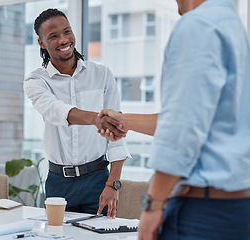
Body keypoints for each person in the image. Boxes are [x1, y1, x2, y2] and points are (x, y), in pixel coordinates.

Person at [100, 0, 250, 239]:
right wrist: (122, 120)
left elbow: (183, 127)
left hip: (201, 213)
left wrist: (154, 203)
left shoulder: (197, 25)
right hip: (235, 207)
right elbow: (199, 119)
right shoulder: (233, 27)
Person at [23, 8, 130, 217]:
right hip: (59, 183)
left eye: (67, 32)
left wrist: (113, 184)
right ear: (41, 43)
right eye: (53, 36)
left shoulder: (102, 75)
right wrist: (95, 119)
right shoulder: (36, 81)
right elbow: (55, 110)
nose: (63, 40)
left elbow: (118, 135)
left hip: (98, 180)